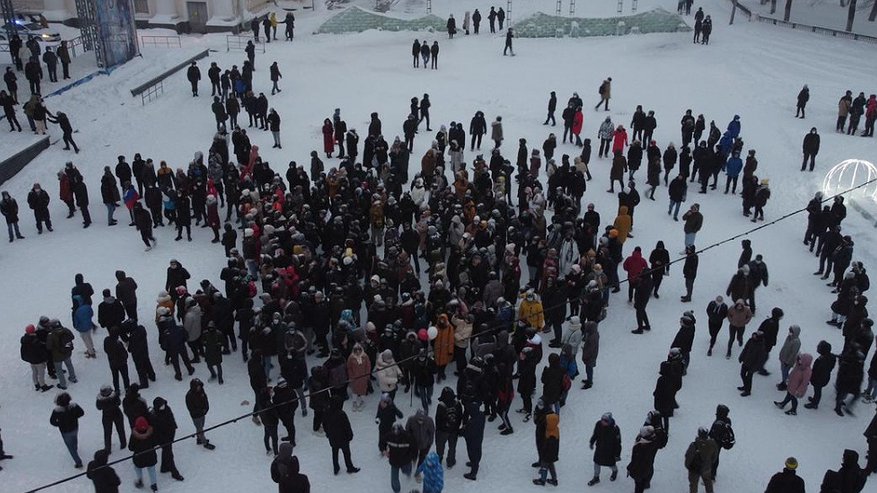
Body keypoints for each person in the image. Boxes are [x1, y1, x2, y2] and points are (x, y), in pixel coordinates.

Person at [323, 397, 359, 475]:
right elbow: (347, 426)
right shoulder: (341, 414)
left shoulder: (327, 412)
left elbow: (325, 425)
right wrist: (350, 435)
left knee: (335, 453)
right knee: (346, 453)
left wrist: (328, 434)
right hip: (343, 438)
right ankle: (349, 467)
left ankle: (336, 468)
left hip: (333, 438)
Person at [50, 391, 85, 468]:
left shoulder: (56, 411)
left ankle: (78, 462)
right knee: (74, 438)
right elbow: (82, 413)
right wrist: (75, 416)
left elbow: (52, 421)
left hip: (65, 431)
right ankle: (75, 448)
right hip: (75, 427)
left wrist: (59, 424)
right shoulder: (74, 406)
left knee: (70, 447)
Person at [588, 412, 621, 486]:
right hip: (599, 449)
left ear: (609, 421)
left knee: (611, 464)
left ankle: (615, 471)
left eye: (605, 421)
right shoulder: (598, 424)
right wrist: (591, 442)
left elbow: (618, 443)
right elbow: (595, 434)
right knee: (596, 463)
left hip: (609, 451)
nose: (603, 422)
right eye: (602, 420)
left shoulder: (615, 429)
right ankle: (596, 478)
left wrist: (617, 455)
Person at [129, 416, 159, 491]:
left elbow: (130, 447)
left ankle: (140, 481)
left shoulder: (134, 435)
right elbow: (155, 442)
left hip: (139, 458)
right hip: (150, 456)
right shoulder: (151, 433)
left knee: (137, 468)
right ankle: (154, 485)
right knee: (152, 470)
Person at [185, 378, 216, 450]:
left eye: (199, 386)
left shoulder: (201, 391)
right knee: (200, 429)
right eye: (197, 386)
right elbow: (191, 408)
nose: (199, 387)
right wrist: (200, 411)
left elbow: (205, 399)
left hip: (202, 414)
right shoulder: (189, 396)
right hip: (196, 416)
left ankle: (199, 439)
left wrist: (206, 409)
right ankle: (204, 442)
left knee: (200, 426)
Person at [627, 425, 660, 493]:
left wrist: (629, 468)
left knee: (639, 485)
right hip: (647, 467)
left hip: (640, 471)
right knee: (647, 473)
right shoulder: (653, 441)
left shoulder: (642, 448)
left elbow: (636, 461)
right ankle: (646, 484)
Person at [685, 427, 718, 493]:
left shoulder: (694, 445)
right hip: (706, 468)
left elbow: (688, 457)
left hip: (694, 469)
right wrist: (710, 463)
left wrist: (688, 466)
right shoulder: (713, 444)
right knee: (708, 483)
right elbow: (715, 456)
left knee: (693, 485)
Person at [20, 324, 52, 391]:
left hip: (31, 360)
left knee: (34, 372)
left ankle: (36, 384)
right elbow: (40, 351)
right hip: (38, 360)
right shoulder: (35, 341)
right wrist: (46, 358)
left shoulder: (24, 340)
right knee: (41, 373)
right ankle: (43, 385)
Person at [533, 410, 560, 486]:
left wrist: (543, 452)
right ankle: (554, 480)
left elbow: (547, 446)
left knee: (544, 466)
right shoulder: (555, 429)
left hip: (547, 453)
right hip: (553, 453)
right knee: (551, 465)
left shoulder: (550, 435)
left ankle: (542, 480)